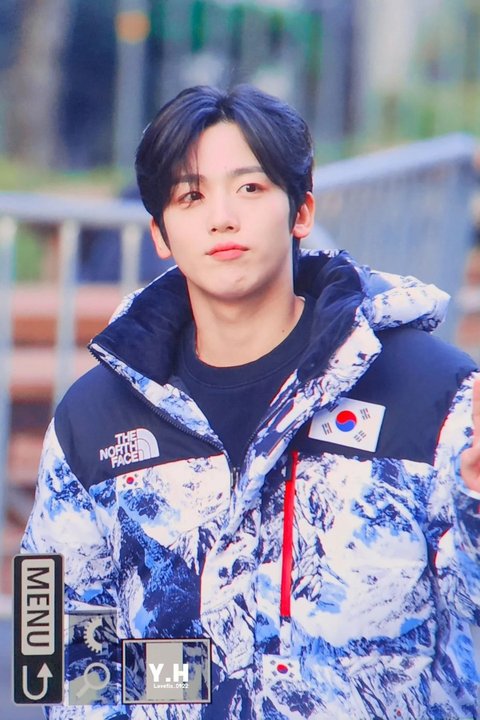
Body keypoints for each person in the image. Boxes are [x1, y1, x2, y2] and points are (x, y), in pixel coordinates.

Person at [22, 84, 480, 719]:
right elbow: (51, 664)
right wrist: (197, 677)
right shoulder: (93, 418)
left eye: (250, 187)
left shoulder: (434, 393)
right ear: (160, 232)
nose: (222, 217)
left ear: (301, 211)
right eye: (190, 196)